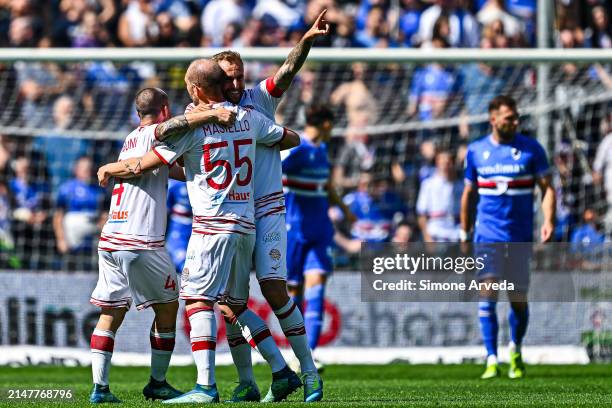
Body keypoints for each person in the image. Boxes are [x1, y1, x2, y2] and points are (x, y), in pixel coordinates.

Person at [98, 59, 301, 404]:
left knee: (196, 300)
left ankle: (205, 387)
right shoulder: (249, 117)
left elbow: (142, 163)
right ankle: (282, 370)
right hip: (246, 225)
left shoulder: (192, 130)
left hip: (211, 228)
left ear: (194, 90)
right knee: (233, 304)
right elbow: (290, 138)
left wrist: (110, 167)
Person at [207, 10, 329, 403]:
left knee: (275, 289)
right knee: (229, 304)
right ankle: (247, 380)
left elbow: (288, 72)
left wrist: (306, 39)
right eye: (228, 76)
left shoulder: (259, 100)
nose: (236, 81)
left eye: (239, 74)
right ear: (214, 79)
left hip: (269, 210)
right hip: (232, 216)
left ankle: (307, 373)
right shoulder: (207, 117)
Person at [90, 87, 236, 403]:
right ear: (165, 110)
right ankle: (157, 382)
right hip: (140, 241)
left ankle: (99, 389)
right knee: (169, 307)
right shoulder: (153, 134)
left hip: (111, 238)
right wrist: (209, 114)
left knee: (111, 313)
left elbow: (171, 170)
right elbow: (161, 135)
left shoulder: (130, 138)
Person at [460, 95, 555, 380]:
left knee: (517, 299)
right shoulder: (476, 152)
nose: (515, 122)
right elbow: (469, 194)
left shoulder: (531, 150)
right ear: (493, 119)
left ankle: (515, 348)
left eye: (516, 118)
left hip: (519, 237)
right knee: (487, 291)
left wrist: (548, 220)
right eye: (509, 118)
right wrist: (464, 232)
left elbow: (547, 188)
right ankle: (491, 358)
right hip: (487, 235)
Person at [282, 104, 353, 367]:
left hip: (320, 229)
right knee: (294, 292)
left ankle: (308, 354)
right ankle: (296, 352)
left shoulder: (322, 150)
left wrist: (344, 209)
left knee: (318, 285)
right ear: (325, 123)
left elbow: (325, 186)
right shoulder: (296, 149)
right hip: (294, 229)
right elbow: (270, 173)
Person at [53, 156, 106, 270]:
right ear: (76, 169)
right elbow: (58, 215)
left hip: (93, 236)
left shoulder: (99, 189)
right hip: (72, 236)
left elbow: (104, 215)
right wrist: (61, 240)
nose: (88, 171)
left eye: (89, 168)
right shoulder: (67, 188)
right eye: (84, 168)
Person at [416, 150, 463, 242]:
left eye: (449, 162)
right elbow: (421, 213)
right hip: (436, 233)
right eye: (442, 162)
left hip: (457, 233)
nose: (446, 166)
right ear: (437, 163)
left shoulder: (461, 185)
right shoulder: (428, 185)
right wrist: (427, 237)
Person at [166, 179, 192, 274]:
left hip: (199, 225)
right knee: (180, 261)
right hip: (178, 228)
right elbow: (166, 210)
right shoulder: (174, 184)